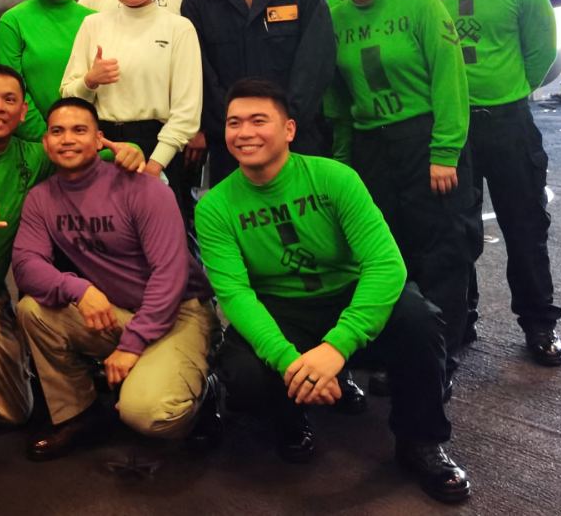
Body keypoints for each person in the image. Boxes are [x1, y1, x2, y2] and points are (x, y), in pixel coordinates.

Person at [197, 79, 470, 503]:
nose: (244, 132)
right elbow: (234, 294)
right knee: (245, 374)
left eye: (258, 120)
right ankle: (292, 417)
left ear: (288, 130)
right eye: (234, 123)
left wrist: (337, 348)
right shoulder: (215, 206)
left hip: (347, 294)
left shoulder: (334, 178)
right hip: (284, 309)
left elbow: (385, 265)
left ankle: (420, 442)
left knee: (420, 320)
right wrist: (292, 363)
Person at [0, 65, 145, 449]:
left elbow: (81, 152)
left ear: (23, 113)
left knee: (17, 412)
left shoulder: (33, 156)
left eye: (10, 100)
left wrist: (131, 151)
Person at [12, 97, 219, 460]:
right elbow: (27, 266)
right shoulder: (41, 199)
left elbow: (169, 275)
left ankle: (205, 387)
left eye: (80, 130)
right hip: (119, 311)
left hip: (179, 313)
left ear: (98, 140)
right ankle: (79, 414)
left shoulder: (143, 187)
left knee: (149, 415)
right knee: (34, 309)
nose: (67, 139)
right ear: (46, 143)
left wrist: (132, 345)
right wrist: (78, 288)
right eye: (57, 131)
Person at [409, 0, 561, 366]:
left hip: (507, 122)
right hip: (449, 128)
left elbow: (541, 53)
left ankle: (540, 324)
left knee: (525, 227)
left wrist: (509, 90)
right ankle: (460, 321)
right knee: (451, 233)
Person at [327, 0, 477, 387]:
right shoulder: (336, 20)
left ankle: (441, 361)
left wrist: (445, 151)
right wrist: (344, 159)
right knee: (391, 255)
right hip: (373, 147)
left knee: (441, 253)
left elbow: (449, 80)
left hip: (424, 140)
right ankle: (407, 353)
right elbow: (338, 100)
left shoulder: (420, 5)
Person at [182, 0, 336, 180]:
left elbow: (316, 64)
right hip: (233, 147)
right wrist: (237, 128)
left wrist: (282, 125)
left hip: (297, 139)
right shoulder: (198, 0)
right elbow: (200, 75)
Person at [60, 0, 202, 182]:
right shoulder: (93, 24)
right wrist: (90, 81)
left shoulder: (179, 28)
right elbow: (68, 98)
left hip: (158, 149)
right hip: (102, 147)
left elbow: (186, 113)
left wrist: (155, 165)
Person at [0, 0, 94, 140]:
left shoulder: (95, 21)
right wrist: (47, 138)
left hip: (90, 143)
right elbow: (11, 92)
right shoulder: (12, 22)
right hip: (36, 144)